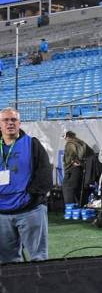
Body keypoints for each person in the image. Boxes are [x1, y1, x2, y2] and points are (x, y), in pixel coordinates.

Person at [0, 108, 52, 263]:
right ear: (0, 124)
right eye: (5, 120)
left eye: (13, 120)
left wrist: (31, 196)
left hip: (31, 210)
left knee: (39, 258)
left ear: (19, 123)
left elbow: (45, 173)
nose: (10, 123)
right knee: (7, 262)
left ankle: (41, 288)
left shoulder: (32, 144)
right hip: (2, 214)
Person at [63, 131, 90, 206]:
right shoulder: (81, 143)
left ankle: (70, 208)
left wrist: (73, 161)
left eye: (64, 137)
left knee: (68, 188)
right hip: (80, 169)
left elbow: (71, 154)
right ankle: (79, 207)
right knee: (77, 189)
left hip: (72, 169)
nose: (64, 139)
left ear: (68, 136)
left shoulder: (70, 143)